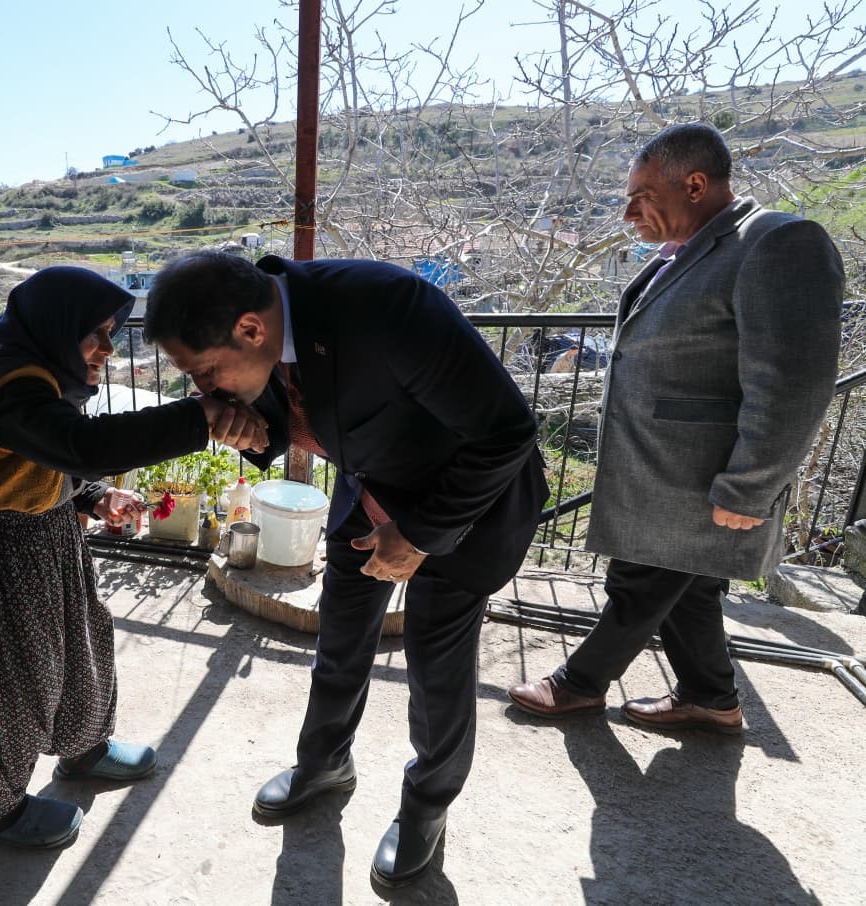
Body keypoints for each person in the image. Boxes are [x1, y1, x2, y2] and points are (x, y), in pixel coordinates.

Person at [144, 250, 548, 887]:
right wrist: (260, 433)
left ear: (250, 329)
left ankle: (426, 807)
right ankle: (324, 763)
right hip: (371, 488)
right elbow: (315, 404)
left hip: (465, 507)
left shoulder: (385, 307)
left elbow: (507, 433)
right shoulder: (272, 326)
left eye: (206, 373)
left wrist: (418, 536)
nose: (205, 391)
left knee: (436, 670)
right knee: (339, 637)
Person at [508, 123, 844, 733]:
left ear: (695, 184)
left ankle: (579, 684)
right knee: (685, 589)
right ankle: (711, 698)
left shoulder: (777, 242)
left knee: (640, 583)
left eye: (641, 195)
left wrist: (751, 485)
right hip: (665, 471)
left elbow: (794, 383)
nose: (628, 210)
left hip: (702, 475)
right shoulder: (692, 249)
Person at [0, 267, 264, 849]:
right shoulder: (7, 382)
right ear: (55, 327)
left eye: (111, 332)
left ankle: (83, 748)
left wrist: (95, 495)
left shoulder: (39, 375)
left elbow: (42, 457)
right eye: (95, 332)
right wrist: (199, 417)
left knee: (80, 640)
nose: (106, 347)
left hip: (43, 536)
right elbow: (81, 446)